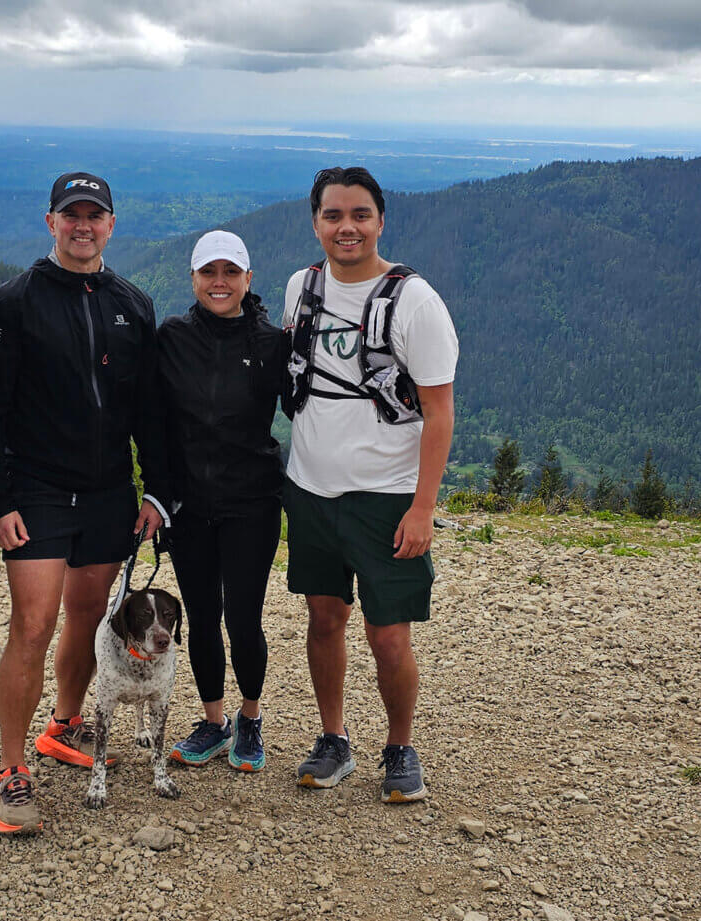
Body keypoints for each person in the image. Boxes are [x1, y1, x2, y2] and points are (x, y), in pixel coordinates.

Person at [0, 171, 169, 834]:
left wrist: (157, 493)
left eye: (95, 215)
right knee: (31, 625)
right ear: (51, 221)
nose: (83, 226)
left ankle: (63, 724)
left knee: (89, 618)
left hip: (111, 491)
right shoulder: (13, 301)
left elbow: (149, 410)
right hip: (36, 491)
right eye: (71, 215)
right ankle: (10, 771)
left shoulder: (133, 303)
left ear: (111, 224)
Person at [281, 167, 458, 801]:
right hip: (309, 487)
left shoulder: (415, 300)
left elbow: (439, 412)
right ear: (315, 223)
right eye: (333, 215)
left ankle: (400, 746)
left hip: (386, 496)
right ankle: (334, 739)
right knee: (323, 618)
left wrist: (423, 507)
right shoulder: (302, 288)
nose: (346, 226)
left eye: (360, 214)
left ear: (381, 221)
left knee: (389, 632)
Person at [156, 230, 288, 772]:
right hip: (189, 503)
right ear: (192, 279)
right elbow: (157, 422)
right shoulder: (172, 337)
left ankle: (250, 719)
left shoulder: (270, 342)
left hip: (252, 500)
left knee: (242, 615)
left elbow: (310, 409)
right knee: (202, 616)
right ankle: (214, 722)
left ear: (248, 279)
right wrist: (157, 495)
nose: (219, 282)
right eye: (208, 272)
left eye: (230, 272)